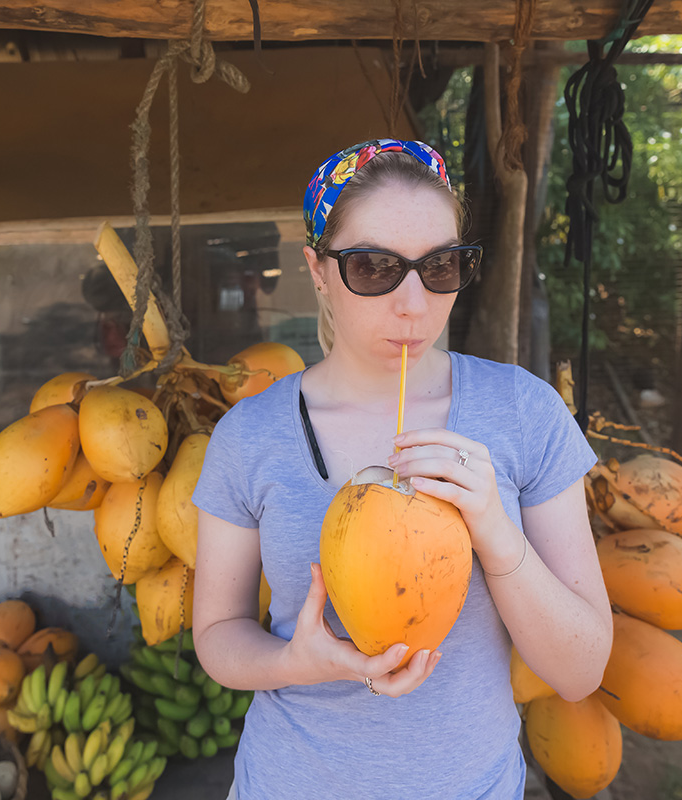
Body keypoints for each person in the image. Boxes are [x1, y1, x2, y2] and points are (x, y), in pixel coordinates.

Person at [192, 139, 613, 800]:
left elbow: (582, 670)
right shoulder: (251, 435)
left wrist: (496, 534)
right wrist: (294, 662)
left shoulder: (524, 413)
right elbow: (218, 635)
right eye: (373, 267)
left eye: (440, 266)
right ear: (319, 270)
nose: (414, 304)